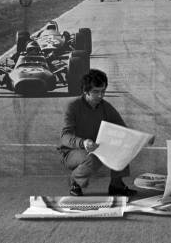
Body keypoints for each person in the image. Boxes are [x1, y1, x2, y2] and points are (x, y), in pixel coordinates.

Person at [58, 69, 137, 197]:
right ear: (85, 91)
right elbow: (64, 137)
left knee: (123, 147)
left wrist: (142, 139)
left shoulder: (105, 107)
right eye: (96, 92)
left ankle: (116, 185)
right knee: (95, 156)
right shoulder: (73, 106)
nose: (100, 96)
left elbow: (123, 130)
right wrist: (83, 143)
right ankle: (75, 182)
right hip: (71, 152)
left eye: (103, 91)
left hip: (96, 148)